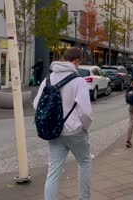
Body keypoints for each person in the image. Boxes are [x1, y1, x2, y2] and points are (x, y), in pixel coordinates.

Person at [33, 47, 93, 200]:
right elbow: (85, 111)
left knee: (53, 170)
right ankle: (84, 198)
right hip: (75, 132)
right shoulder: (79, 81)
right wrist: (83, 127)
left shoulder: (48, 78)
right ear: (77, 61)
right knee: (84, 162)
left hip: (54, 131)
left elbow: (36, 104)